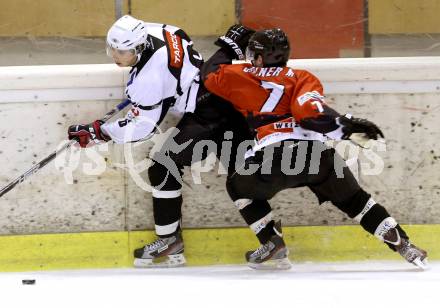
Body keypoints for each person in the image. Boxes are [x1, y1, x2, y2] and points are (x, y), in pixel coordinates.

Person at [201, 27, 428, 270]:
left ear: (257, 57)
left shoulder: (240, 74)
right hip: (317, 155)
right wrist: (343, 123)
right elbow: (309, 114)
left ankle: (271, 242)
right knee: (355, 199)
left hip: (273, 157)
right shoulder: (302, 77)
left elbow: (209, 73)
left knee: (238, 186)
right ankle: (404, 243)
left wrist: (228, 46)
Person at [67, 16, 252, 267]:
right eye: (112, 48)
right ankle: (273, 242)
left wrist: (100, 133)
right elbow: (182, 37)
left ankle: (168, 242)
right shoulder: (159, 32)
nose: (114, 55)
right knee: (242, 177)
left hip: (204, 110)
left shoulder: (149, 80)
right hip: (217, 96)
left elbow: (143, 128)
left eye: (122, 51)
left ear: (140, 47)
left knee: (163, 167)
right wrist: (171, 87)